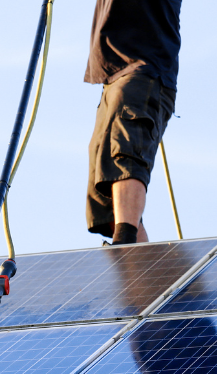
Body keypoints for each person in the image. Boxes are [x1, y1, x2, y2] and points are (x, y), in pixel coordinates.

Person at [85, 0, 182, 245]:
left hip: (142, 72)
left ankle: (125, 243)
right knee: (104, 182)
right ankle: (140, 270)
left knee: (124, 156)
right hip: (114, 77)